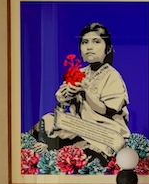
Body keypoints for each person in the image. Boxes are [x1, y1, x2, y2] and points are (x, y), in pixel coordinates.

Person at [32, 22, 131, 159]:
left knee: (90, 149)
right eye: (84, 42)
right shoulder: (80, 72)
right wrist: (64, 96)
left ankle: (54, 149)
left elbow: (106, 110)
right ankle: (48, 147)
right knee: (48, 120)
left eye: (96, 42)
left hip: (105, 132)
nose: (89, 47)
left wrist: (85, 92)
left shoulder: (112, 76)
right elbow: (67, 107)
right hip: (81, 127)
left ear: (107, 49)